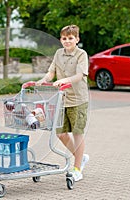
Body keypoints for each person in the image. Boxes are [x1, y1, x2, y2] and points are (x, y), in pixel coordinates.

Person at [36, 25, 89, 182]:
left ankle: (77, 168)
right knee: (60, 133)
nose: (67, 41)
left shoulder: (81, 54)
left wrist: (65, 80)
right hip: (61, 99)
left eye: (70, 38)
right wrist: (43, 80)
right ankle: (81, 157)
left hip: (77, 100)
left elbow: (80, 75)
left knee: (77, 133)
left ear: (77, 39)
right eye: (64, 38)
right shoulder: (58, 53)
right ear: (61, 40)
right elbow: (51, 72)